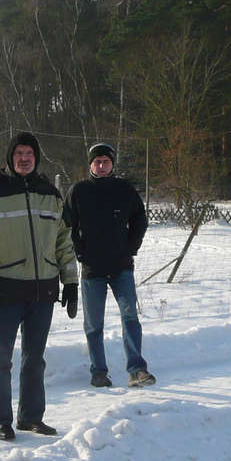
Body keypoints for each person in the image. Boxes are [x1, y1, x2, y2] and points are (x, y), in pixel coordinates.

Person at [0, 131, 79, 442]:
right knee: (1, 357)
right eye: (19, 153)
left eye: (29, 153)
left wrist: (70, 282)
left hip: (43, 292)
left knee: (35, 358)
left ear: (36, 158)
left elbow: (64, 243)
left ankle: (31, 417)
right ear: (10, 157)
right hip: (5, 292)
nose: (24, 158)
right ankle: (2, 420)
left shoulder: (51, 195)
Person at [65, 142, 155, 388]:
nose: (102, 166)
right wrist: (79, 252)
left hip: (121, 267)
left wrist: (131, 248)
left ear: (112, 164)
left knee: (130, 317)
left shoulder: (124, 189)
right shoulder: (79, 191)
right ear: (90, 165)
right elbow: (67, 227)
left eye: (106, 161)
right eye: (97, 162)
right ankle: (99, 371)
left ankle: (137, 369)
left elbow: (140, 220)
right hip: (92, 269)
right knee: (94, 324)